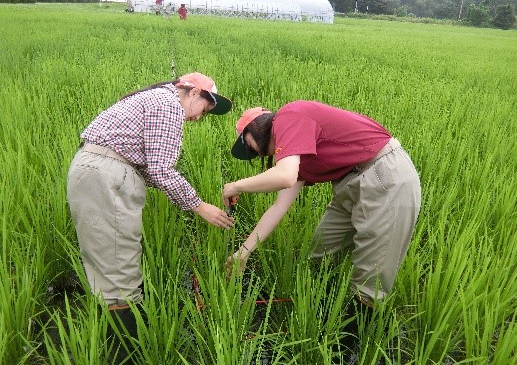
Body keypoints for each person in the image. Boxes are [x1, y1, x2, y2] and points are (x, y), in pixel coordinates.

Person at [67, 72, 234, 362]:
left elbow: (150, 170)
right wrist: (199, 206)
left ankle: (115, 346)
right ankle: (128, 355)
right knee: (120, 278)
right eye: (204, 111)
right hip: (105, 177)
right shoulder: (169, 105)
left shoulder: (154, 100)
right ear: (193, 93)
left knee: (109, 267)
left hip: (96, 172)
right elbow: (161, 170)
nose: (197, 119)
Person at [222, 101, 421, 338]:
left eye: (248, 145)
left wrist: (236, 186)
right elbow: (278, 207)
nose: (252, 154)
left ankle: (349, 345)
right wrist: (243, 252)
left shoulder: (289, 116)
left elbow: (284, 177)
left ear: (256, 128)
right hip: (350, 183)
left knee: (371, 279)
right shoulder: (295, 158)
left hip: (385, 176)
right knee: (320, 252)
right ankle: (321, 313)